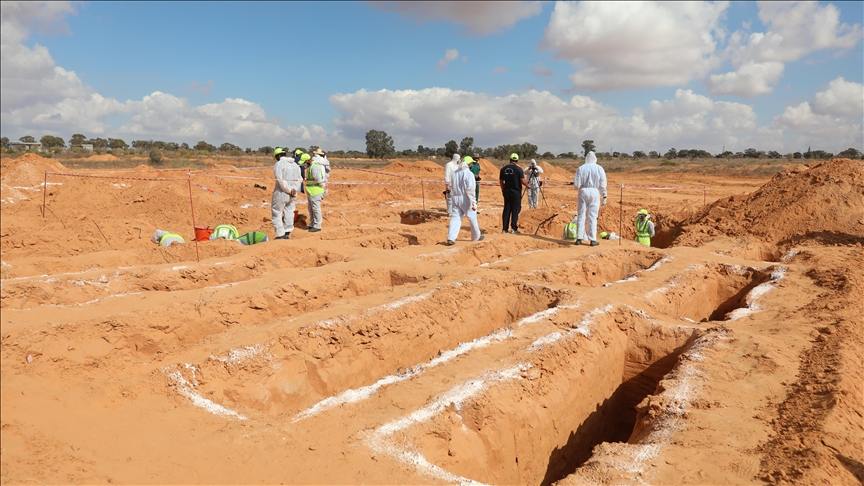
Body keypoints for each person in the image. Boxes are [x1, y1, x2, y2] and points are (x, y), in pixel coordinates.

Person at [572, 151, 607, 246]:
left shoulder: (581, 168)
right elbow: (602, 184)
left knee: (581, 215)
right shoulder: (599, 168)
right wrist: (604, 195)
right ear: (595, 158)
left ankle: (579, 238)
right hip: (594, 192)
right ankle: (592, 240)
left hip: (582, 191)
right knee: (592, 216)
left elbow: (576, 185)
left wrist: (580, 187)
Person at [446, 157, 484, 245]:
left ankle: (451, 237)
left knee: (455, 218)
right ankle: (476, 236)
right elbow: (470, 189)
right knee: (472, 218)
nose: (471, 165)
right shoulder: (469, 174)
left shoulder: (455, 173)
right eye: (471, 163)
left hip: (455, 198)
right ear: (468, 164)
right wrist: (474, 202)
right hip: (466, 198)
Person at [271, 147, 301, 240]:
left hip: (282, 192)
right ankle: (287, 233)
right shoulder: (295, 165)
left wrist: (288, 190)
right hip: (293, 193)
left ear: (278, 155)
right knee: (289, 212)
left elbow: (280, 179)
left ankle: (280, 235)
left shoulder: (279, 164)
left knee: (277, 212)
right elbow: (299, 179)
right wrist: (294, 189)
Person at [499, 153, 529, 234]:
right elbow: (522, 181)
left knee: (507, 210)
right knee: (515, 210)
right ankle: (514, 228)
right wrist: (528, 185)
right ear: (517, 160)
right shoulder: (519, 170)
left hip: (507, 191)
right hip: (516, 192)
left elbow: (501, 182)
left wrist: (503, 190)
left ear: (510, 160)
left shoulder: (503, 169)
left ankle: (504, 229)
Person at [305, 152, 326, 232]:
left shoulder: (314, 167)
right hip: (311, 191)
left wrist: (323, 186)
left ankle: (317, 225)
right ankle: (312, 224)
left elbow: (318, 179)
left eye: (305, 162)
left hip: (316, 191)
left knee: (316, 208)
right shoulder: (311, 166)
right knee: (311, 209)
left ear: (308, 160)